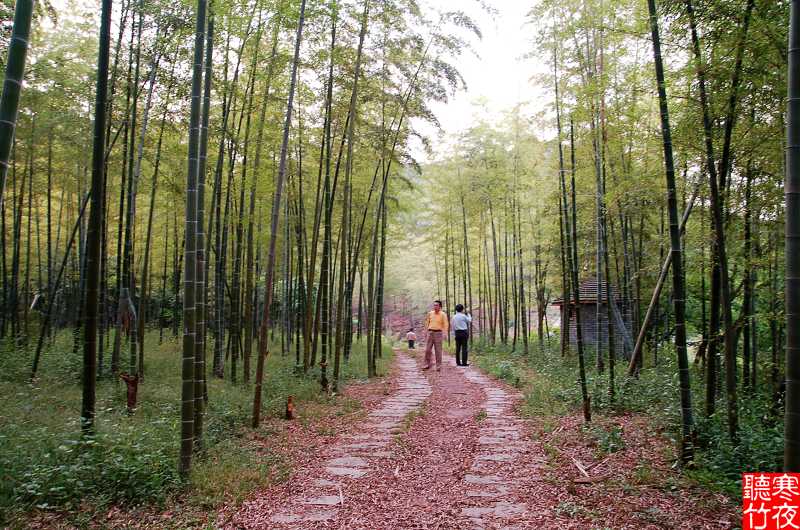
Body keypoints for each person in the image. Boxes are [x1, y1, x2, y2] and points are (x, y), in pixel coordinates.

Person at [424, 300, 449, 371]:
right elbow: (427, 323)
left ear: (440, 306)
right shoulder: (430, 313)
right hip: (430, 332)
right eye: (434, 305)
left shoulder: (443, 314)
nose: (435, 306)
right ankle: (427, 364)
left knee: (438, 350)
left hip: (438, 333)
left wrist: (445, 333)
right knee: (427, 349)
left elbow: (446, 324)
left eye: (436, 305)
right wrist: (425, 332)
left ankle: (438, 366)